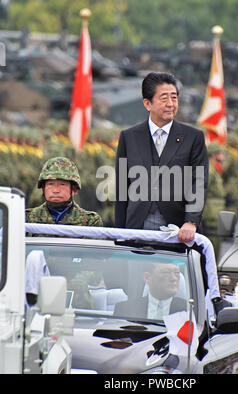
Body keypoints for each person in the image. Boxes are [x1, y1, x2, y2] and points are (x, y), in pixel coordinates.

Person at [115, 72, 209, 243]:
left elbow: (199, 182)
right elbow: (122, 189)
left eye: (174, 98)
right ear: (147, 103)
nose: (171, 104)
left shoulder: (193, 137)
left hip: (178, 230)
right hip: (137, 228)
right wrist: (120, 234)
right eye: (164, 98)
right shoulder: (129, 137)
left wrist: (191, 221)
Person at [26, 156, 103, 228]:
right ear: (43, 188)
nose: (55, 190)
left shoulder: (90, 222)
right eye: (50, 184)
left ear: (74, 189)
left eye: (62, 185)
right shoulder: (27, 219)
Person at [114, 263, 186, 319]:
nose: (173, 278)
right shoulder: (124, 309)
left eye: (177, 273)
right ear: (147, 277)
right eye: (166, 272)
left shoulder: (190, 310)